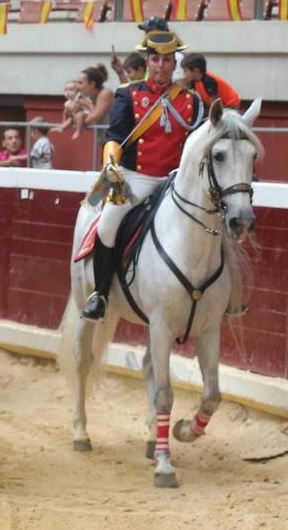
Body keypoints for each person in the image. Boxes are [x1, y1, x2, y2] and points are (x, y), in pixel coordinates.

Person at [81, 29, 205, 320]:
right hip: (137, 178)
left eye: (166, 60)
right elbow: (114, 136)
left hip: (175, 181)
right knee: (107, 225)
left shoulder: (192, 100)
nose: (160, 65)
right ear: (147, 62)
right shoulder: (128, 94)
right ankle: (99, 294)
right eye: (154, 59)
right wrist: (111, 165)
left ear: (175, 64)